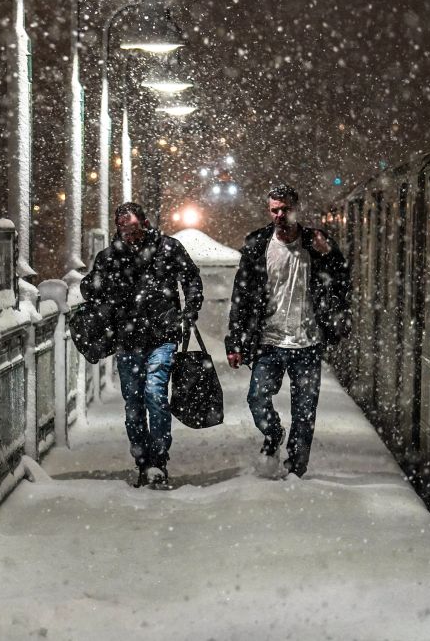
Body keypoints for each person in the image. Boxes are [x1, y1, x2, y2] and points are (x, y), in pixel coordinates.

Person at [226, 184, 351, 478]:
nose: (280, 215)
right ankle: (273, 433)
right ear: (269, 211)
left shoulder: (317, 243)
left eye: (285, 209)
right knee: (257, 399)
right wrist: (235, 341)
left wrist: (330, 255)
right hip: (269, 341)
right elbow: (240, 296)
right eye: (275, 210)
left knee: (305, 412)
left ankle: (296, 469)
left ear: (296, 208)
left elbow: (343, 281)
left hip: (307, 343)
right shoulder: (258, 245)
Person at [81, 201, 203, 489]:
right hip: (127, 339)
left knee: (155, 395)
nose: (129, 233)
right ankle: (142, 462)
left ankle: (158, 463)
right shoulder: (110, 256)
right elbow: (89, 290)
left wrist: (189, 310)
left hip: (162, 336)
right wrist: (103, 280)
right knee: (133, 404)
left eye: (133, 227)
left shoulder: (167, 248)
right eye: (123, 228)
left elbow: (191, 278)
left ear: (145, 224)